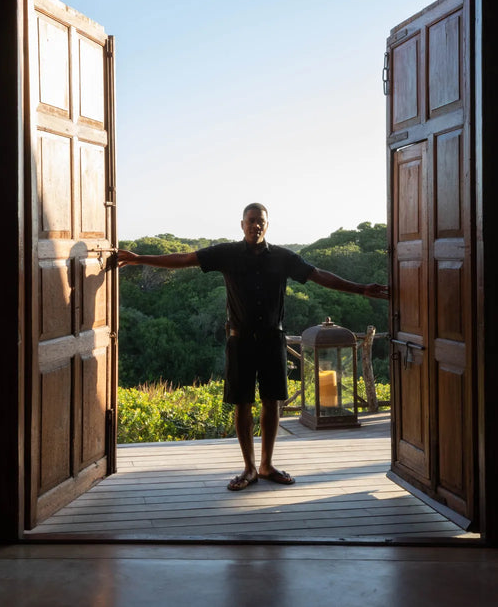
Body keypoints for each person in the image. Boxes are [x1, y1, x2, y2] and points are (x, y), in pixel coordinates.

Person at [116, 202, 389, 491]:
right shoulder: (226, 254)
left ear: (267, 225)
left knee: (272, 402)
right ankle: (248, 468)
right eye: (250, 220)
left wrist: (360, 289)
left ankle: (266, 465)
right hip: (240, 340)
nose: (255, 225)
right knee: (242, 403)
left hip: (272, 339)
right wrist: (138, 258)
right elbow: (184, 259)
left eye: (260, 221)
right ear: (242, 224)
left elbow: (319, 275)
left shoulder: (284, 257)